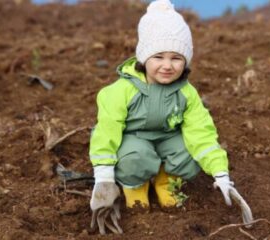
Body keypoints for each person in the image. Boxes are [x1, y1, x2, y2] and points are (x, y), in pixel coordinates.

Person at [89, 0, 253, 234]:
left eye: (176, 58)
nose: (167, 66)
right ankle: (136, 184)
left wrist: (221, 173)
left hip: (168, 136)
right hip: (133, 138)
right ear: (144, 57)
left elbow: (201, 132)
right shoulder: (121, 91)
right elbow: (107, 131)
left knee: (191, 153)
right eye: (159, 57)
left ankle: (166, 181)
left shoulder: (186, 93)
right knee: (135, 157)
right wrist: (104, 177)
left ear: (185, 61)